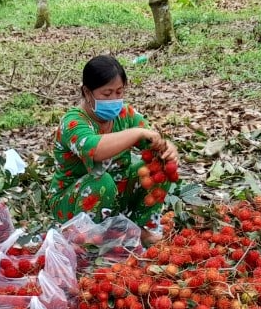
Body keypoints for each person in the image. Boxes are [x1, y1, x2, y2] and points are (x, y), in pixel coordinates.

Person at [48, 55, 179, 242]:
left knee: (161, 165)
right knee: (102, 181)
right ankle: (91, 238)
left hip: (118, 195)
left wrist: (167, 148)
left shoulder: (125, 115)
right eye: (107, 94)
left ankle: (138, 229)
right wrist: (135, 133)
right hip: (75, 201)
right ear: (87, 92)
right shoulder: (73, 123)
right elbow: (96, 150)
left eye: (119, 92)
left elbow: (151, 140)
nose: (115, 99)